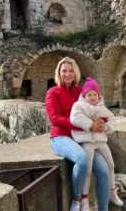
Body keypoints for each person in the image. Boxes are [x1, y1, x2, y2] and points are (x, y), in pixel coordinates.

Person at [45, 57, 110, 211]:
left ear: (76, 72)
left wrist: (102, 121)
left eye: (71, 70)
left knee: (104, 172)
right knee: (82, 158)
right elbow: (55, 119)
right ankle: (77, 199)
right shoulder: (52, 92)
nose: (67, 74)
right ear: (58, 73)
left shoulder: (82, 92)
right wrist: (87, 126)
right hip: (61, 136)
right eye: (64, 71)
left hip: (83, 137)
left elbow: (97, 108)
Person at [70, 77, 124, 211]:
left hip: (100, 140)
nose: (93, 97)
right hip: (87, 141)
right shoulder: (79, 105)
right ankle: (85, 199)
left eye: (95, 94)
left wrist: (104, 127)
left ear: (99, 95)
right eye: (89, 94)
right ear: (84, 95)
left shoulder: (102, 107)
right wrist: (91, 124)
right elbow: (75, 118)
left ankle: (112, 191)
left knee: (111, 165)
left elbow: (112, 120)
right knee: (87, 171)